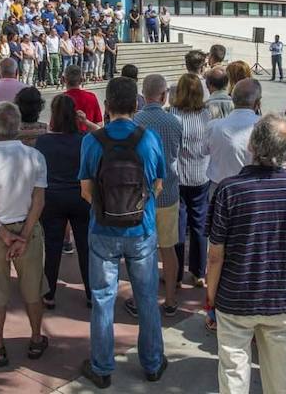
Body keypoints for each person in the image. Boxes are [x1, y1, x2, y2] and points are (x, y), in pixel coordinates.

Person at [206, 114, 286, 394]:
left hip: (235, 298)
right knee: (283, 376)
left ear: (253, 145)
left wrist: (211, 299)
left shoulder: (229, 190)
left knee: (233, 372)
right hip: (283, 299)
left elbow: (215, 254)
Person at [78, 77, 168, 388]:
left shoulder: (92, 140)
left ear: (106, 106)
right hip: (141, 229)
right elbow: (158, 183)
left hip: (102, 229)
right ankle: (153, 363)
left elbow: (86, 190)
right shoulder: (149, 138)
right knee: (146, 298)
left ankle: (102, 367)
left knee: (103, 299)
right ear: (136, 105)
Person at [0, 100, 49, 365]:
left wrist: (3, 233)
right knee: (33, 288)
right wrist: (24, 235)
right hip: (28, 227)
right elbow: (39, 201)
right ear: (19, 127)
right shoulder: (35, 156)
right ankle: (36, 338)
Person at [129, 74, 182, 316]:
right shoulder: (174, 122)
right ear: (163, 95)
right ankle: (170, 299)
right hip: (168, 192)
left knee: (142, 250)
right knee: (168, 248)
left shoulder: (135, 121)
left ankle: (141, 300)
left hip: (141, 194)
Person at [36, 95, 91, 309]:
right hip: (80, 197)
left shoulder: (43, 141)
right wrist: (86, 123)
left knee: (52, 247)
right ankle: (90, 292)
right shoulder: (84, 140)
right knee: (85, 247)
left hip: (53, 198)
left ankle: (49, 293)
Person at [169, 74, 211, 287]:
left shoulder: (173, 114)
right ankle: (198, 271)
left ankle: (175, 274)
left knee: (179, 224)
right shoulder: (206, 114)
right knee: (199, 223)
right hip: (201, 174)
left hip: (179, 175)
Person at [203, 79, 261, 193]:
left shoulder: (213, 126)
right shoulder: (265, 126)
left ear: (233, 100)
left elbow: (203, 151)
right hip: (253, 188)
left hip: (220, 188)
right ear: (257, 103)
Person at [63, 64, 103, 132]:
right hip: (88, 139)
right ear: (81, 80)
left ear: (63, 79)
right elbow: (99, 124)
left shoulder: (60, 100)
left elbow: (54, 127)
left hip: (65, 140)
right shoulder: (91, 97)